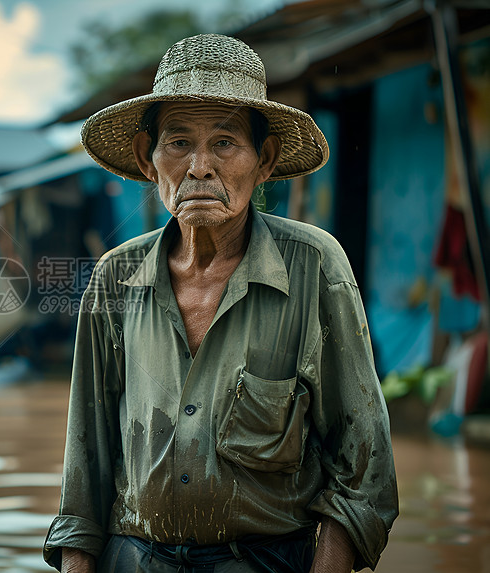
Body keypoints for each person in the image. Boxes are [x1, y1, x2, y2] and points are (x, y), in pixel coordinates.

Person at [43, 34, 398, 573]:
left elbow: (365, 467)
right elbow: (84, 464)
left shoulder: (315, 267)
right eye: (178, 143)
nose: (200, 166)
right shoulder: (115, 278)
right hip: (132, 558)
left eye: (225, 143)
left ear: (264, 160)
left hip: (265, 561)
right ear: (148, 158)